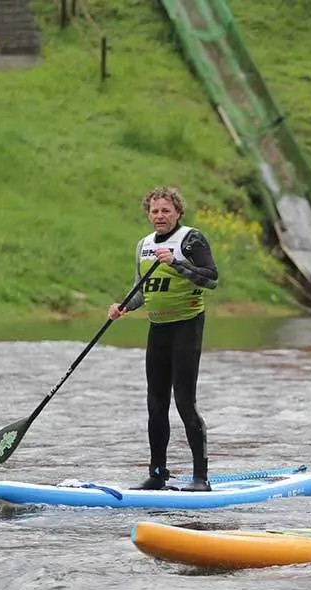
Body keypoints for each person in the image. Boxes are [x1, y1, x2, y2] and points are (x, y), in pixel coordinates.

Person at [108, 186, 218, 492]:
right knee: (155, 405)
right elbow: (142, 290)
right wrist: (123, 307)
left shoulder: (191, 239)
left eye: (166, 211)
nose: (160, 216)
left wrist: (176, 263)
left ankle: (200, 478)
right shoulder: (143, 245)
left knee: (184, 402)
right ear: (148, 214)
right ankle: (157, 473)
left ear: (178, 213)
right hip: (158, 329)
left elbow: (211, 278)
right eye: (155, 211)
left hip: (187, 327)